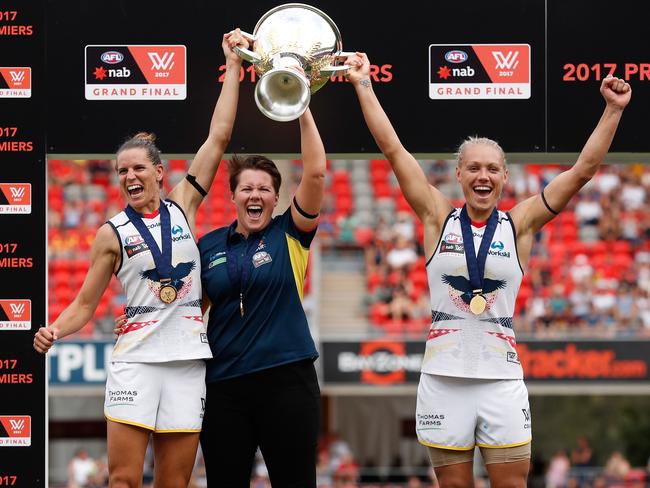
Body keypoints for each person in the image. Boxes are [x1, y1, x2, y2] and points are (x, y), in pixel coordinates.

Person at [345, 51, 631, 487]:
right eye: (474, 167)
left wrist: (612, 110)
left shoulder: (521, 223)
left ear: (504, 177)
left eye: (493, 168)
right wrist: (364, 84)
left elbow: (582, 172)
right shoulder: (437, 217)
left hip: (501, 379)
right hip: (443, 377)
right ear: (458, 174)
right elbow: (392, 149)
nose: (484, 175)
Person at [33, 30, 247, 488]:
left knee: (175, 483)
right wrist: (55, 329)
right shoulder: (110, 234)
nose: (129, 176)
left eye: (138, 168)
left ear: (158, 171)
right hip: (136, 361)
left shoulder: (184, 205)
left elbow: (219, 137)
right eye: (121, 171)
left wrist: (232, 66)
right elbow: (86, 305)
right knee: (124, 480)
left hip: (189, 362)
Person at [197, 107, 326, 486]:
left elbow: (316, 172)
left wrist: (302, 108)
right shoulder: (208, 245)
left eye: (264, 189)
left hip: (287, 382)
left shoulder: (291, 231)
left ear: (276, 197)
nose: (256, 195)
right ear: (233, 195)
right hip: (224, 387)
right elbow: (193, 310)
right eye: (247, 188)